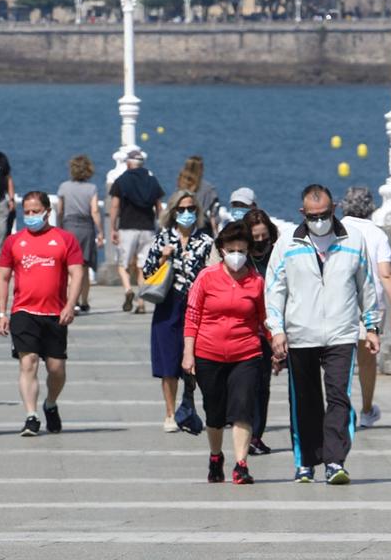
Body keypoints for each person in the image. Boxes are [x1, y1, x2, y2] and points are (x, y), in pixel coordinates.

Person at [266, 184, 382, 485]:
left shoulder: (353, 240)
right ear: (303, 213)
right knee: (304, 401)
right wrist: (276, 330)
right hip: (300, 332)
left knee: (338, 397)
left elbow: (366, 285)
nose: (320, 221)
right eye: (313, 216)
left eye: (325, 214)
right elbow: (274, 289)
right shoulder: (287, 244)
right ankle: (305, 461)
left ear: (335, 209)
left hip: (342, 333)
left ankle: (334, 461)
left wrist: (371, 326)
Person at [183, 222, 270, 484]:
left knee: (243, 409)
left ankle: (241, 464)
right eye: (231, 249)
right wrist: (188, 354)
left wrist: (276, 342)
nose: (236, 255)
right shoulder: (206, 277)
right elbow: (192, 316)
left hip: (246, 353)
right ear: (221, 250)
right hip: (208, 353)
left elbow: (264, 317)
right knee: (215, 413)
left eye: (241, 250)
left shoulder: (256, 282)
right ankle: (215, 456)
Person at [0, 190, 85, 437]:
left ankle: (51, 403)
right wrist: (2, 312)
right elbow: (2, 277)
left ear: (48, 212)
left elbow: (77, 273)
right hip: (24, 311)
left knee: (56, 369)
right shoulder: (14, 242)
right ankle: (31, 416)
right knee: (28, 363)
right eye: (27, 212)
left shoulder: (65, 239)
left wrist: (71, 305)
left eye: (36, 211)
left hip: (55, 313)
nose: (31, 216)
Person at [142, 191, 215, 432]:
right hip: (168, 304)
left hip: (196, 305)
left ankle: (189, 405)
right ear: (173, 212)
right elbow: (146, 273)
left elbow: (214, 273)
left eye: (191, 208)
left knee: (194, 359)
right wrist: (163, 259)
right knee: (168, 362)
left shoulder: (205, 241)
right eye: (181, 209)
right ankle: (170, 413)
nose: (186, 213)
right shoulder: (163, 238)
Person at [338, 186, 391, 427]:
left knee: (341, 358)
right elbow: (385, 273)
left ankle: (341, 408)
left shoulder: (337, 229)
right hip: (371, 303)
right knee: (367, 359)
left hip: (341, 301)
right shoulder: (377, 234)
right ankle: (366, 410)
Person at [234, 190, 282, 457]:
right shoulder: (242, 260)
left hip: (269, 330)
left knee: (262, 385)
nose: (261, 242)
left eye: (265, 237)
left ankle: (256, 435)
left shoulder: (277, 255)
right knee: (244, 385)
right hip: (244, 329)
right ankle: (243, 429)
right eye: (256, 238)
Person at [108, 148, 164, 314]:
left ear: (128, 164)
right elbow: (159, 207)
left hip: (127, 227)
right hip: (147, 228)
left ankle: (128, 290)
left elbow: (115, 206)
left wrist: (112, 228)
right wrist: (160, 227)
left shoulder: (121, 180)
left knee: (123, 265)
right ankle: (141, 302)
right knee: (142, 267)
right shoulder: (152, 181)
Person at [56, 155, 102, 313]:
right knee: (84, 265)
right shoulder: (92, 188)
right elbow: (95, 211)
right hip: (86, 228)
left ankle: (71, 300)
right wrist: (101, 231)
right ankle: (84, 301)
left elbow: (60, 210)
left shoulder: (64, 187)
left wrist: (60, 226)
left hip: (69, 228)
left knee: (70, 266)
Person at [175, 155, 221, 229]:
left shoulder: (180, 187)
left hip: (182, 227)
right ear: (201, 169)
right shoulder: (209, 189)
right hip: (202, 227)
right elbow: (214, 216)